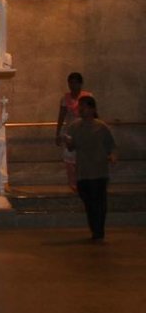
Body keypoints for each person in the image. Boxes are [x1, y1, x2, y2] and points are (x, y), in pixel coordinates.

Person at [64, 95, 117, 242]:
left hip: (99, 171)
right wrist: (68, 142)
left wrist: (112, 156)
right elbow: (71, 146)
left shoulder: (101, 127)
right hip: (83, 171)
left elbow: (111, 146)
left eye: (84, 106)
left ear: (92, 109)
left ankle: (98, 230)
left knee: (99, 202)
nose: (81, 109)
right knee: (88, 201)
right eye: (79, 106)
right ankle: (95, 228)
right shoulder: (74, 127)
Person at [55, 71, 93, 191]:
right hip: (70, 131)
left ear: (80, 84)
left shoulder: (87, 97)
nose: (73, 86)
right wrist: (58, 133)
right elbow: (61, 116)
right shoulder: (65, 98)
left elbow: (94, 114)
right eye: (70, 83)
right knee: (69, 159)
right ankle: (73, 183)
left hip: (85, 130)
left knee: (83, 158)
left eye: (75, 83)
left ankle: (84, 181)